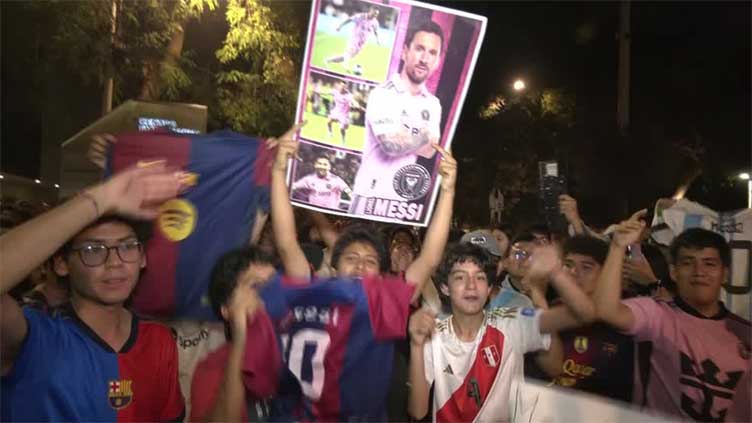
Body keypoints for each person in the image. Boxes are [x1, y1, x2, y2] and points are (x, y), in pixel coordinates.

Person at [262, 122, 457, 420]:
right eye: (351, 257)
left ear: (380, 276)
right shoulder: (313, 294)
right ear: (334, 267)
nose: (360, 265)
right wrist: (278, 171)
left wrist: (448, 189)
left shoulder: (384, 306)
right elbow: (287, 243)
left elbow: (429, 257)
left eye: (370, 261)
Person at [0, 164, 187, 421]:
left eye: (128, 246)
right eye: (93, 250)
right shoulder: (33, 337)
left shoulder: (160, 340)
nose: (115, 262)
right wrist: (101, 198)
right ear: (61, 264)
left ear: (143, 257)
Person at [407, 243, 595, 422]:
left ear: (489, 288)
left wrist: (556, 273)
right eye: (460, 277)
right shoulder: (434, 333)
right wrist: (416, 344)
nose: (471, 285)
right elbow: (417, 411)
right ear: (445, 288)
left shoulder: (512, 323)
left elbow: (584, 315)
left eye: (480, 277)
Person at [594, 211, 751, 421]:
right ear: (673, 272)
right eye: (688, 262)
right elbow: (606, 310)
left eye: (709, 264)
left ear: (724, 274)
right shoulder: (656, 315)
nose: (699, 271)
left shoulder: (745, 334)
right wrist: (617, 247)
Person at [349, 21, 444, 217]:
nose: (425, 58)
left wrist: (404, 133)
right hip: (368, 198)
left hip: (400, 204)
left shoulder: (433, 104)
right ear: (404, 52)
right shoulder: (382, 94)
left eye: (432, 53)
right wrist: (423, 135)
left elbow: (430, 151)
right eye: (419, 49)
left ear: (437, 61)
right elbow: (391, 146)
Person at [190, 247, 282, 422]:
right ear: (226, 309)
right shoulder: (213, 367)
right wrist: (242, 337)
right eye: (256, 286)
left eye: (274, 284)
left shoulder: (300, 348)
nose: (271, 294)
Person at [551, 236, 635, 403]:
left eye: (586, 267)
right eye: (568, 265)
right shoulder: (549, 311)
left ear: (607, 273)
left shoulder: (625, 317)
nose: (574, 272)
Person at [326, 7, 380, 73]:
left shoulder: (375, 22)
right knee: (350, 51)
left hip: (362, 43)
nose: (375, 15)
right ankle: (345, 64)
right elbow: (349, 19)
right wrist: (340, 26)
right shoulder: (361, 16)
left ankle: (328, 60)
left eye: (376, 14)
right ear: (371, 11)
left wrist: (377, 40)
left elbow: (376, 31)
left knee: (345, 57)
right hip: (355, 38)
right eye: (374, 13)